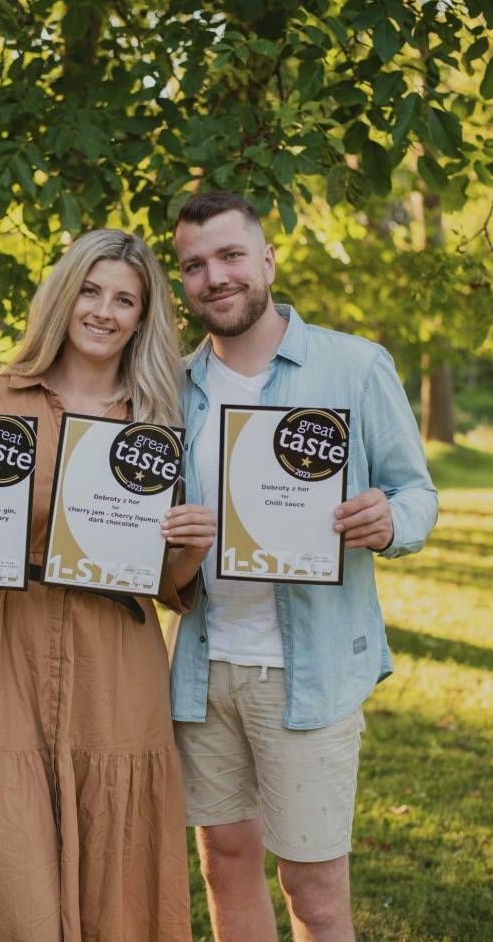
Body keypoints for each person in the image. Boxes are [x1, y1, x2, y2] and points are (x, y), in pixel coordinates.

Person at [0, 229, 216, 942]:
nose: (104, 311)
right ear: (64, 297)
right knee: (8, 857)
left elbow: (166, 583)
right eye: (90, 290)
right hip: (2, 649)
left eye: (125, 300)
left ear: (142, 319)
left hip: (116, 661)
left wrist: (190, 548)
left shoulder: (162, 418)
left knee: (115, 865)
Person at [168, 192, 438, 942]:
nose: (214, 277)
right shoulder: (174, 385)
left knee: (314, 891)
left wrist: (390, 521)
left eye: (230, 255)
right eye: (194, 265)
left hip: (307, 670)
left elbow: (416, 491)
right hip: (203, 668)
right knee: (225, 864)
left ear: (268, 260)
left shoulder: (354, 365)